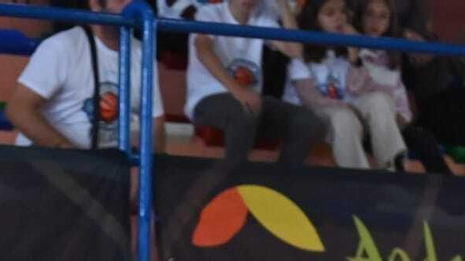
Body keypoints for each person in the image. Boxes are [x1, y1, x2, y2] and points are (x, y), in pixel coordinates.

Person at [7, 0, 168, 153]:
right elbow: (18, 110)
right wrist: (68, 152)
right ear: (95, 4)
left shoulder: (142, 53)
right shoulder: (62, 47)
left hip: (105, 168)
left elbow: (155, 123)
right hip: (49, 162)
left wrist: (154, 167)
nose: (131, 4)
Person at [187, 0, 325, 167]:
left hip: (251, 101)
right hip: (208, 98)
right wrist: (238, 91)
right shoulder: (209, 13)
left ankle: (281, 183)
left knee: (308, 122)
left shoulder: (262, 19)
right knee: (244, 111)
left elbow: (295, 50)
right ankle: (232, 180)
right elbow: (203, 51)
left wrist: (283, 5)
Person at [286, 0, 407, 168]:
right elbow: (310, 98)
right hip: (315, 113)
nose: (339, 18)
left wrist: (353, 55)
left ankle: (390, 165)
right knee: (343, 117)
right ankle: (358, 177)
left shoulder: (345, 48)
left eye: (342, 12)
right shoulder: (300, 50)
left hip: (345, 108)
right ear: (315, 19)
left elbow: (359, 89)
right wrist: (342, 106)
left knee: (380, 99)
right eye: (330, 13)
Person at [357, 0, 454, 168]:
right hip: (361, 123)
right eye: (370, 15)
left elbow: (400, 100)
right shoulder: (350, 49)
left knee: (423, 139)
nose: (375, 22)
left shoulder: (392, 55)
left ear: (389, 22)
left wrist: (400, 119)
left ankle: (447, 189)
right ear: (360, 17)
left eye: (383, 17)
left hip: (392, 124)